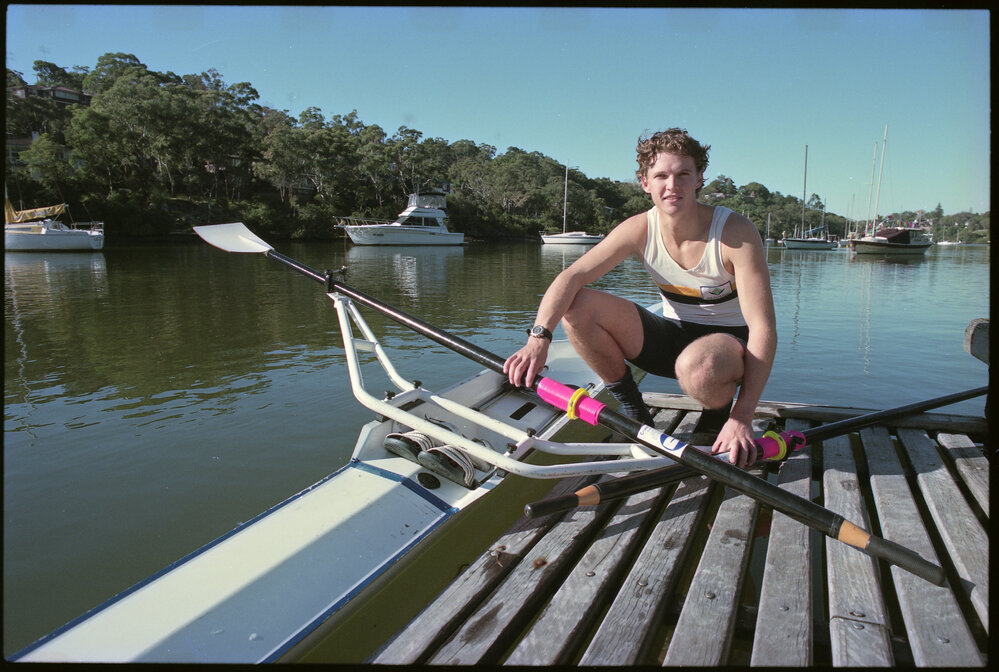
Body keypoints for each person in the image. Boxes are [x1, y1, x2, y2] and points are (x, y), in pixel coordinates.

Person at [503, 128, 777, 468]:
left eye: (682, 174)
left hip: (726, 350)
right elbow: (570, 277)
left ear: (699, 179)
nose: (672, 186)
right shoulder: (640, 228)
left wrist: (744, 415)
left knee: (698, 367)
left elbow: (763, 329)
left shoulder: (735, 232)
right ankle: (634, 410)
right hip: (673, 336)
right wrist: (538, 339)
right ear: (645, 182)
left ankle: (717, 416)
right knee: (577, 305)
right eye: (660, 175)